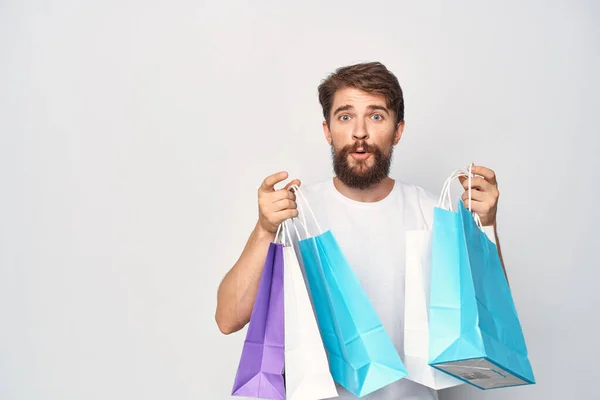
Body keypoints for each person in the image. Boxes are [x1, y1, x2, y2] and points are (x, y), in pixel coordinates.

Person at [215, 61, 502, 399]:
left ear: (398, 130)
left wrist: (486, 228)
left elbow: (489, 320)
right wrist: (264, 230)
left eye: (376, 116)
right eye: (345, 116)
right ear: (327, 130)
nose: (359, 132)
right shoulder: (295, 213)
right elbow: (228, 318)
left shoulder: (433, 211)